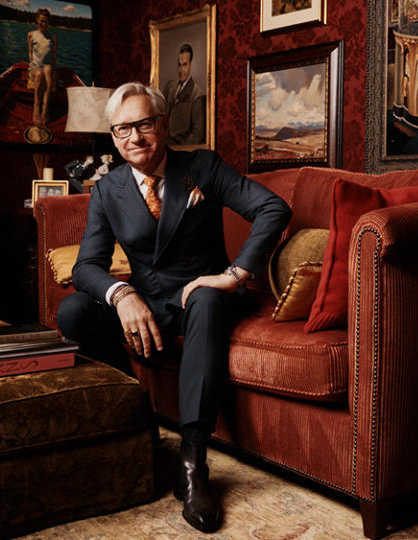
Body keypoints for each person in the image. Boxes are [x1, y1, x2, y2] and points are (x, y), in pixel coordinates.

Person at [56, 82, 291, 533]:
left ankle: (193, 461)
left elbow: (272, 208)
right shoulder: (108, 191)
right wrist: (123, 296)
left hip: (207, 298)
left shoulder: (201, 165)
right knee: (73, 312)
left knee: (204, 296)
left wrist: (234, 275)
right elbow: (87, 266)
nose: (134, 138)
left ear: (163, 125)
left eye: (143, 124)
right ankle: (136, 427)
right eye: (122, 129)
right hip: (151, 303)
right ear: (112, 136)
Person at [162, 44, 206, 145]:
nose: (180, 70)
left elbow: (197, 134)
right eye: (179, 65)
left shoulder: (197, 94)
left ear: (191, 65)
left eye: (184, 65)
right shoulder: (170, 87)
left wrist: (180, 149)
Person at [27, 8, 57, 126]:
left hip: (48, 68)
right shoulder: (31, 35)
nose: (43, 24)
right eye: (41, 21)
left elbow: (54, 56)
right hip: (34, 69)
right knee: (39, 73)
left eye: (45, 21)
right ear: (37, 20)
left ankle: (45, 108)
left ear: (48, 23)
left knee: (48, 68)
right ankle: (36, 108)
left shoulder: (52, 37)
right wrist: (35, 65)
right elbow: (30, 53)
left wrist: (54, 73)